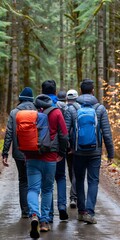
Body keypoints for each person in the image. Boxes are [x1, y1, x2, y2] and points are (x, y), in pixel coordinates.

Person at [24, 94, 68, 239]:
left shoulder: (30, 113)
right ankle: (44, 223)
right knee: (47, 189)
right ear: (50, 102)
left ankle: (34, 215)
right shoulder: (56, 112)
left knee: (33, 189)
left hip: (31, 157)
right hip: (50, 157)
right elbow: (64, 135)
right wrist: (62, 152)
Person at [74, 78, 114, 224]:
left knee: (79, 180)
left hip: (77, 151)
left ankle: (81, 211)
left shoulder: (73, 108)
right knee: (93, 181)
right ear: (92, 91)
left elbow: (67, 130)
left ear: (80, 91)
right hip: (95, 152)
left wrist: (68, 149)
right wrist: (110, 153)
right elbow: (107, 133)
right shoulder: (100, 108)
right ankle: (90, 213)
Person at [2, 87, 36, 218]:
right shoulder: (37, 110)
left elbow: (9, 133)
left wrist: (5, 153)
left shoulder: (14, 112)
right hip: (34, 152)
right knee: (33, 181)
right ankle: (34, 210)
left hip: (19, 152)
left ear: (21, 99)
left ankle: (25, 211)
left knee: (23, 181)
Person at [42, 80, 68, 221]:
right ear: (55, 91)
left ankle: (49, 214)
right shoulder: (60, 106)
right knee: (61, 177)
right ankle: (62, 206)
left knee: (47, 183)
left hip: (42, 150)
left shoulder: (37, 106)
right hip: (57, 150)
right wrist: (63, 151)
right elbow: (65, 130)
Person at [65, 89, 80, 208]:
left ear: (67, 98)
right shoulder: (81, 108)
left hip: (70, 147)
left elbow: (66, 129)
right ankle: (76, 195)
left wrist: (68, 146)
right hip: (81, 146)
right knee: (77, 171)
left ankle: (73, 197)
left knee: (72, 170)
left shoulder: (66, 109)